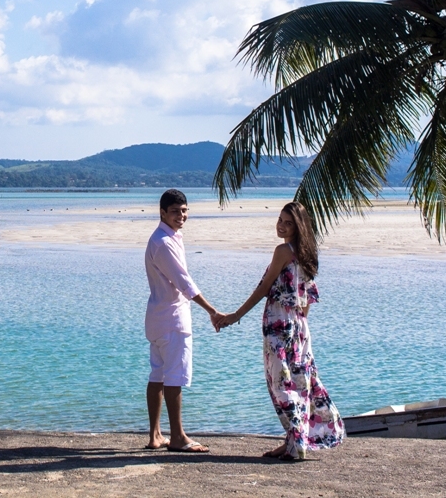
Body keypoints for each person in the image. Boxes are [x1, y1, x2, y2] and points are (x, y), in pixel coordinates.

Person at [217, 201, 344, 460]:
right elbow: (307, 299)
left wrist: (235, 315)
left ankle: (297, 444)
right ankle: (293, 441)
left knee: (280, 384)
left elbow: (264, 288)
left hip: (279, 322)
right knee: (299, 380)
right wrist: (300, 326)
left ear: (298, 227)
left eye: (288, 223)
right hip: (299, 325)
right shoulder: (308, 253)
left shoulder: (283, 251)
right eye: (280, 220)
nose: (282, 226)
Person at [144, 188, 222, 453]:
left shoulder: (169, 237)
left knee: (159, 373)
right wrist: (212, 310)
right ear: (163, 212)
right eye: (176, 211)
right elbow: (184, 282)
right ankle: (177, 437)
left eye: (185, 210)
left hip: (159, 316)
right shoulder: (163, 243)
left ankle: (156, 434)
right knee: (173, 375)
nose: (181, 216)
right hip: (171, 319)